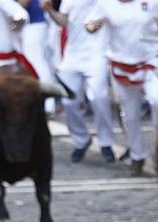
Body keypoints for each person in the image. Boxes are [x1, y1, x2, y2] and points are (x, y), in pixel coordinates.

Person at [86, 0, 158, 175]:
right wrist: (92, 26)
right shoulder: (104, 3)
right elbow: (89, 23)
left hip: (150, 60)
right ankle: (137, 154)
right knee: (130, 114)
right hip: (121, 64)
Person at [45, 0, 117, 163]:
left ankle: (106, 142)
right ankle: (81, 140)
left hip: (98, 54)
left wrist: (103, 20)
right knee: (68, 100)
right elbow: (64, 21)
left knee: (99, 98)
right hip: (73, 54)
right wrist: (50, 10)